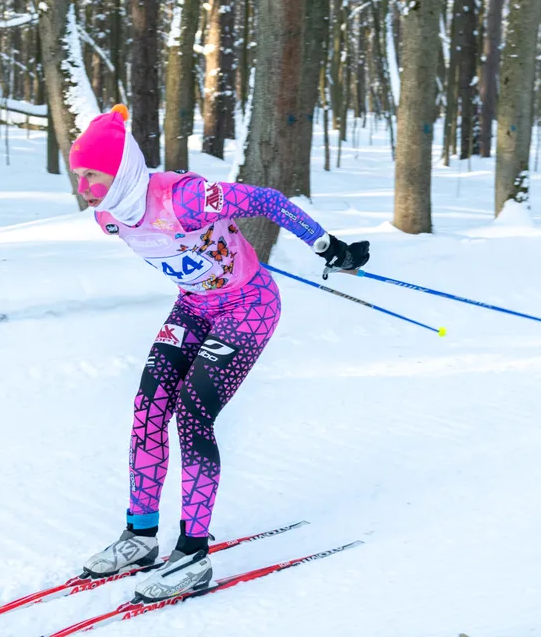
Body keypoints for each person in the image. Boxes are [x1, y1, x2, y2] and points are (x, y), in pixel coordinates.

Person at [71, 105, 370, 603]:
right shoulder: (109, 215)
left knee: (192, 413)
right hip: (195, 307)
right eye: (78, 176)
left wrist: (329, 247)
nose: (84, 188)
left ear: (121, 171)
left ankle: (192, 555)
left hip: (249, 306)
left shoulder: (183, 198)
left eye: (92, 176)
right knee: (148, 409)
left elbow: (270, 201)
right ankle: (141, 537)